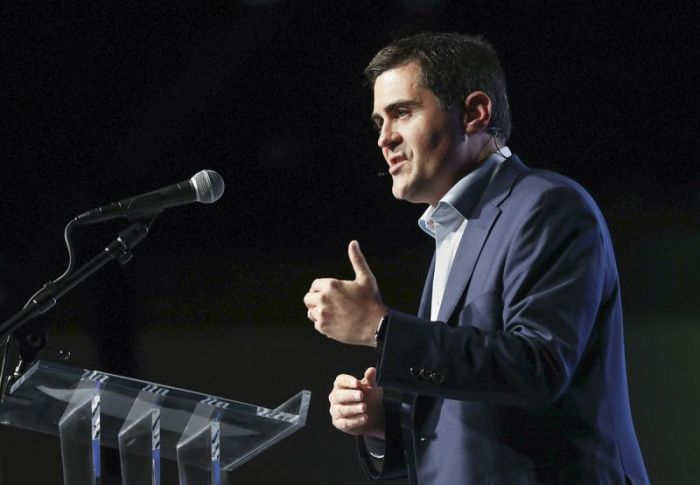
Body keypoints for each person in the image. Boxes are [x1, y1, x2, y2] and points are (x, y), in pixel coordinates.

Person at [303, 32, 648, 484]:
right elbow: (470, 411)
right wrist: (384, 421)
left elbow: (538, 367)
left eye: (402, 112)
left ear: (474, 113)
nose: (385, 138)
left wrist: (380, 327)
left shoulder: (548, 206)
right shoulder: (452, 229)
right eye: (378, 122)